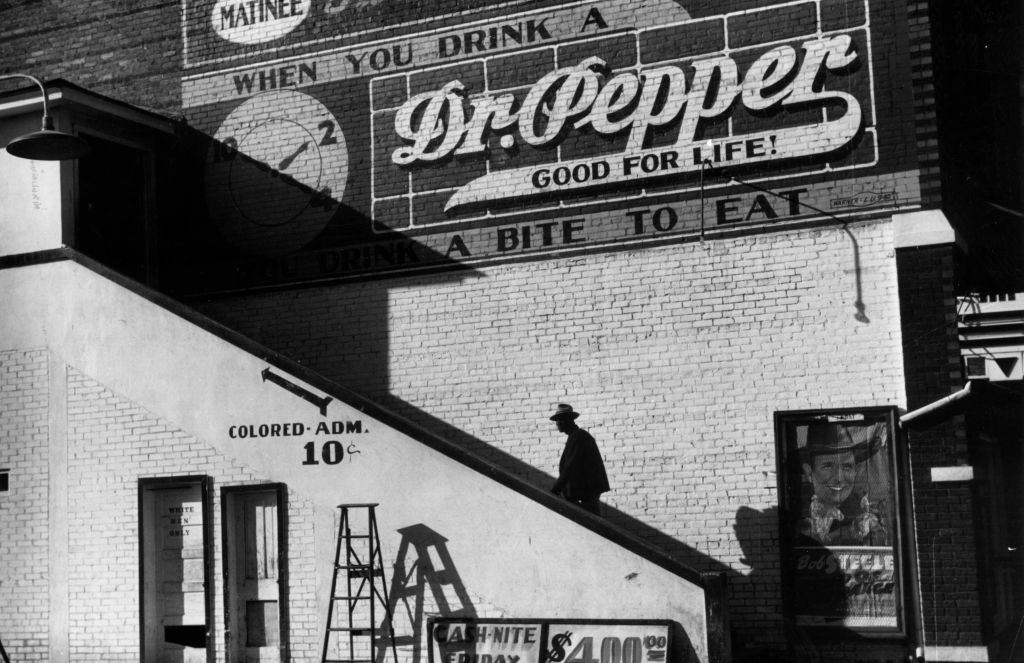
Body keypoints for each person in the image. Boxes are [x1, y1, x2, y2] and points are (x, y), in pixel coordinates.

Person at [795, 422, 889, 546]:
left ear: (855, 470)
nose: (839, 478)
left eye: (847, 466)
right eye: (828, 466)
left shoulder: (865, 521)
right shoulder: (797, 513)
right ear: (809, 472)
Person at [548, 403, 610, 515]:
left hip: (586, 493)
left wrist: (555, 490)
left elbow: (570, 467)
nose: (556, 423)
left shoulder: (578, 437)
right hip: (586, 493)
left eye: (559, 420)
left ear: (566, 420)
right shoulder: (576, 436)